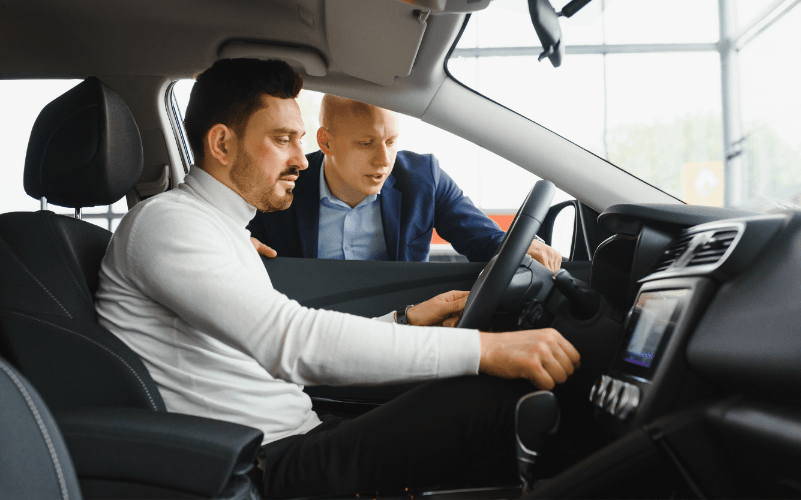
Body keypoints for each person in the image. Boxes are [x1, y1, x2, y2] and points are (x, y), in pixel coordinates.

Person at [95, 58, 580, 498]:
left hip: (302, 431)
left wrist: (405, 320)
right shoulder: (169, 224)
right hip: (266, 463)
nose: (302, 160)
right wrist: (486, 350)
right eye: (282, 140)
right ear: (222, 143)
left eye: (299, 140)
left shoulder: (218, 227)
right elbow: (291, 339)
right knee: (501, 399)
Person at [246, 94, 563, 270]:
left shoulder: (423, 178)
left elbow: (484, 240)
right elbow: (234, 237)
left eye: (391, 141)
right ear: (326, 142)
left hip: (400, 328)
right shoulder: (280, 183)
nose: (384, 160)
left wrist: (523, 246)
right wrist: (234, 242)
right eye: (366, 143)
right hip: (308, 332)